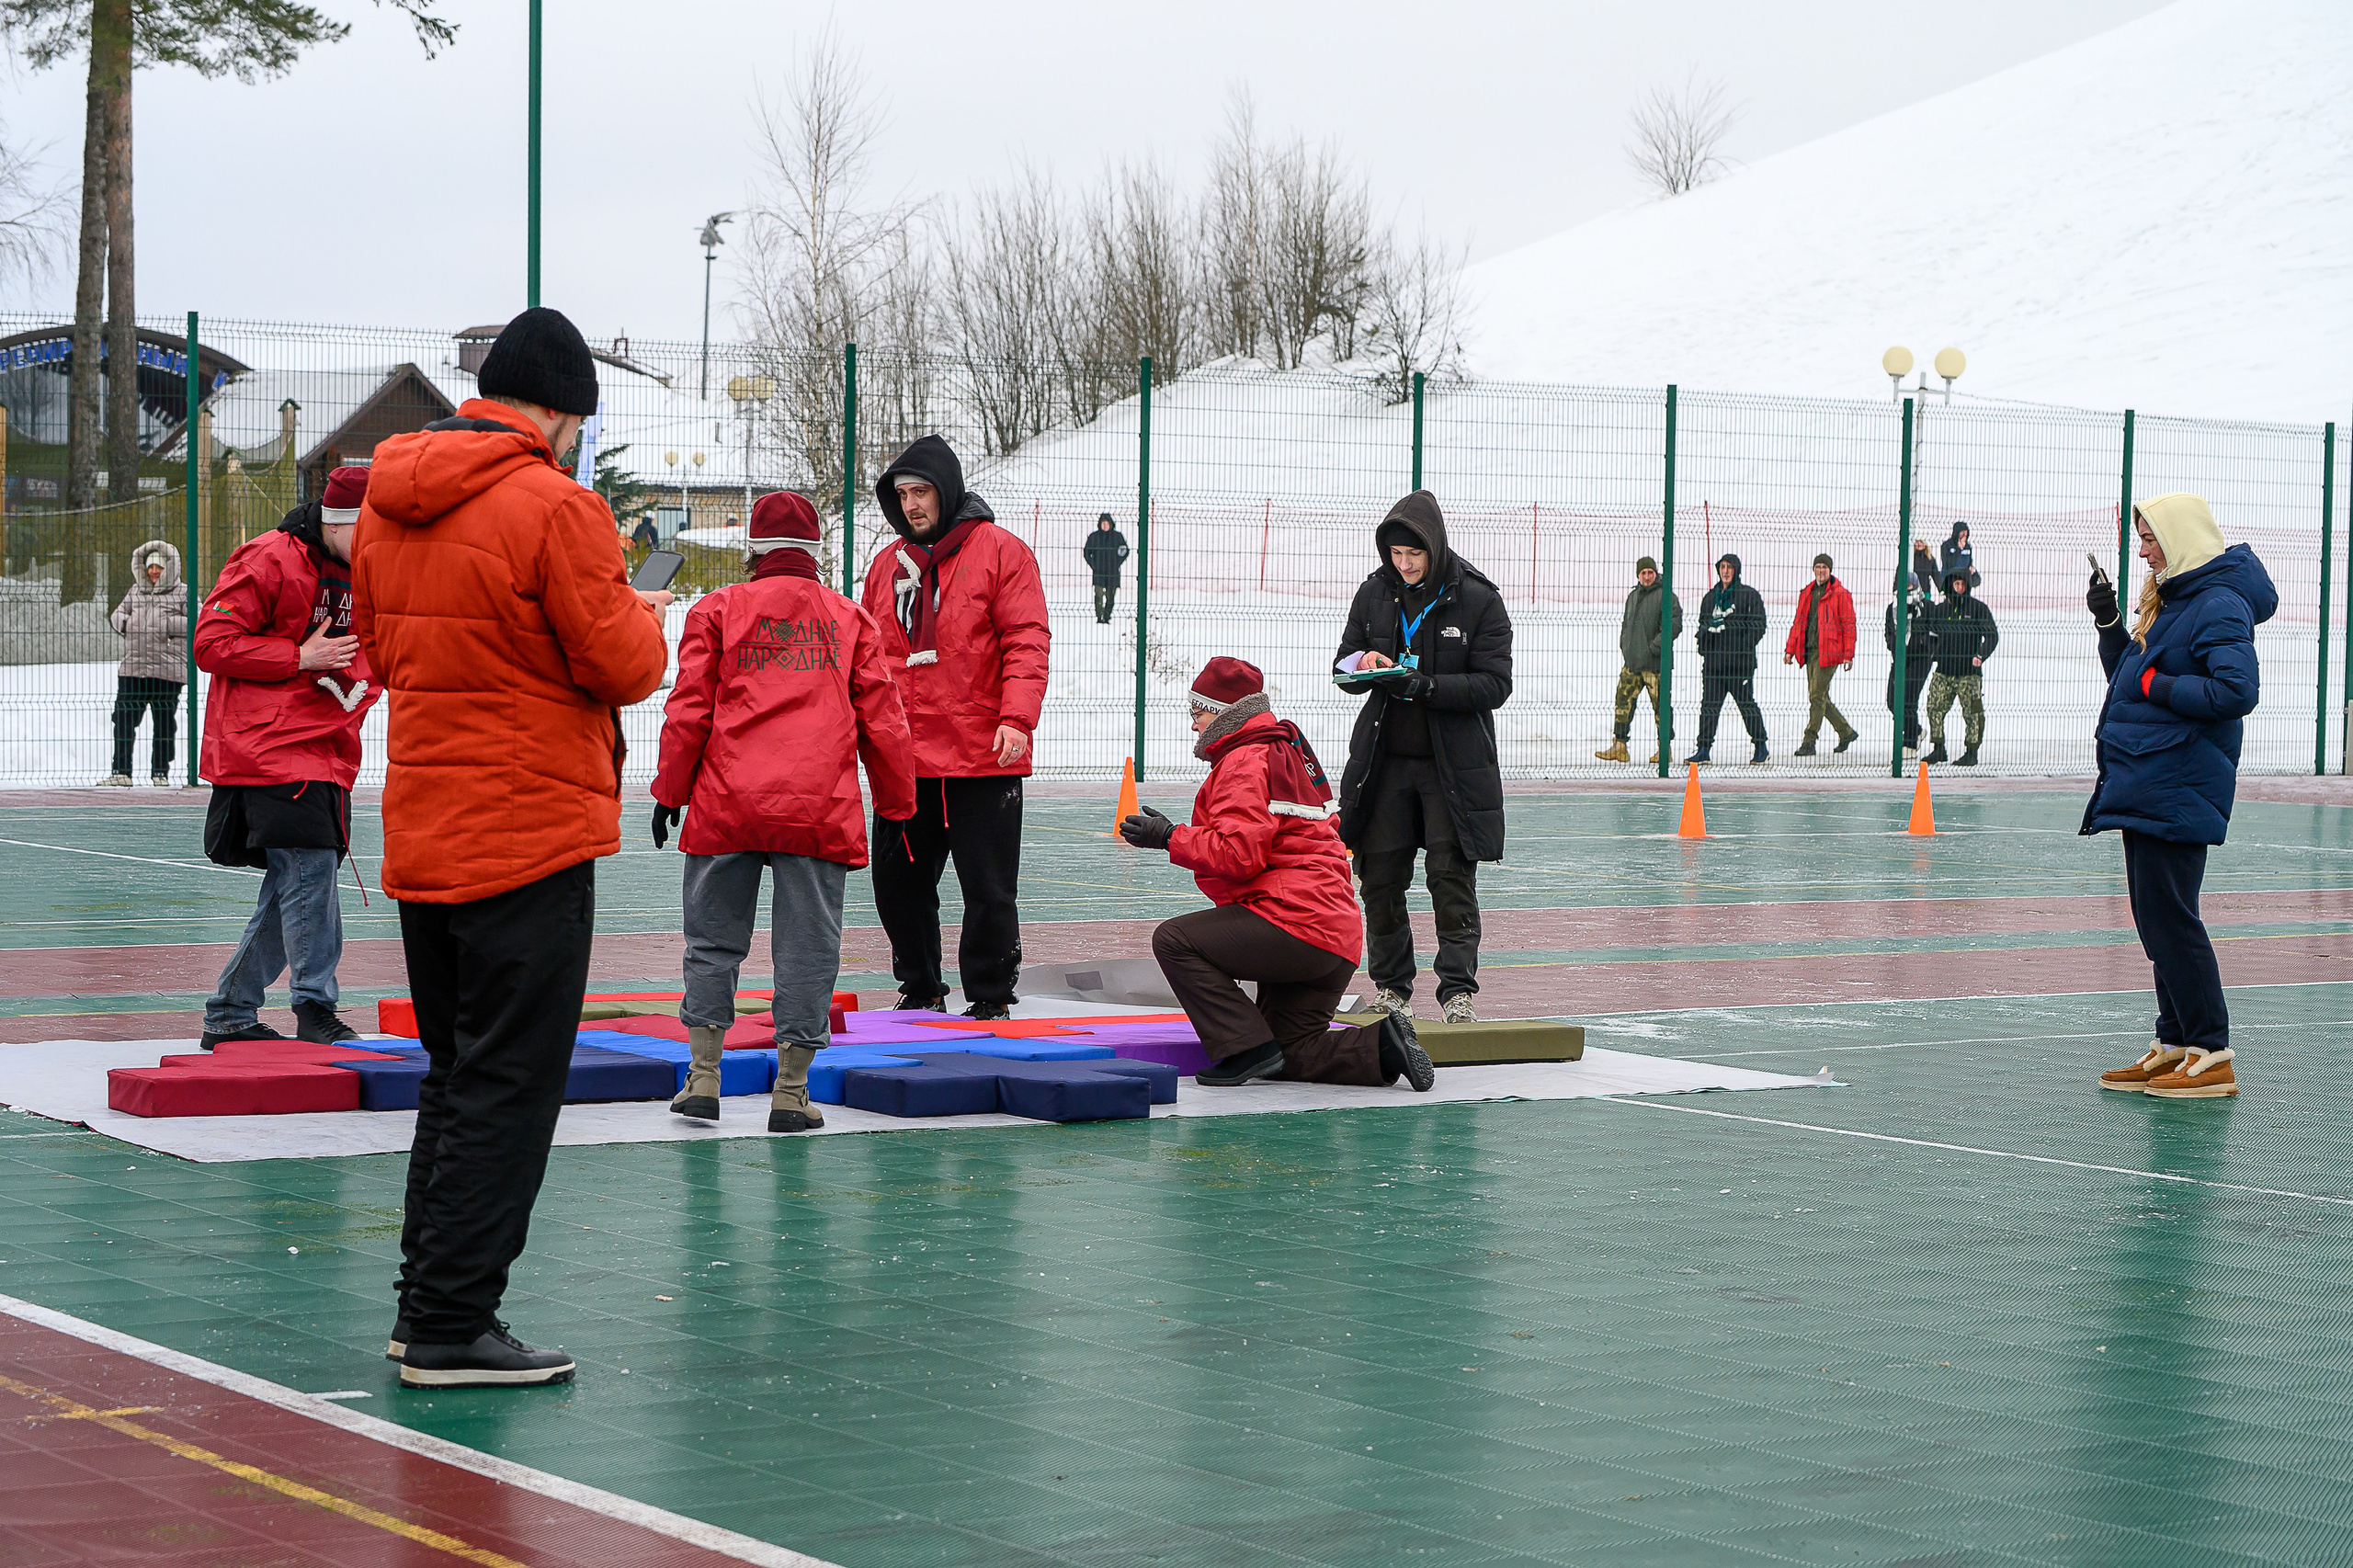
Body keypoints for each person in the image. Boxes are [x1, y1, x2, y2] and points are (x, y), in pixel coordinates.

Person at [352, 307, 672, 1389]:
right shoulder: (558, 506)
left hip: (426, 824)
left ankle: (424, 1304)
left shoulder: (389, 504)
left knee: (456, 1072)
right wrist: (638, 601)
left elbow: (385, 654)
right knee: (512, 1083)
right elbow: (625, 663)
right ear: (562, 413)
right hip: (528, 828)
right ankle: (450, 1320)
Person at [650, 490, 915, 1132]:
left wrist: (669, 793)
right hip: (815, 806)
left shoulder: (716, 610)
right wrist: (898, 804)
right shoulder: (850, 618)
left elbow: (690, 709)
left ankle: (704, 1080)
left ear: (755, 549)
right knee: (808, 948)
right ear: (815, 551)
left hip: (727, 803)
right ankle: (792, 1094)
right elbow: (884, 721)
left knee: (712, 942)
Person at [1126, 657, 1432, 1092]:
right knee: (1289, 1049)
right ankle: (1383, 1044)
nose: (1194, 727)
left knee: (1173, 941)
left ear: (1222, 711)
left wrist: (1170, 837)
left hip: (1294, 924)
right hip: (1336, 935)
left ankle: (1242, 1048)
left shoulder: (1243, 761)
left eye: (1196, 713)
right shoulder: (1284, 751)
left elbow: (1238, 855)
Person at [2086, 494, 2274, 1100]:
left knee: (2172, 920)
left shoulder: (2218, 603)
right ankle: (2174, 1043)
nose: (2141, 550)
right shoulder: (2173, 598)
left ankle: (2211, 1052)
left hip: (2180, 777)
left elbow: (2234, 691)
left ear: (2181, 536)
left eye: (2150, 538)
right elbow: (2129, 677)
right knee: (2155, 920)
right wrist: (2110, 624)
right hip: (2148, 773)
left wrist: (2156, 683)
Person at [860, 434, 1050, 1019]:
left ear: (947, 490)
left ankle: (990, 998)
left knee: (989, 891)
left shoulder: (1001, 552)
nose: (912, 504)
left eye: (921, 492)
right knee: (897, 886)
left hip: (982, 754)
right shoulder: (886, 565)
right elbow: (866, 655)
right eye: (901, 495)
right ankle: (919, 990)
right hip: (906, 757)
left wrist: (1018, 716)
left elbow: (1026, 640)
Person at [194, 467, 380, 1053]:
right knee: (309, 879)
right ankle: (314, 1004)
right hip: (271, 749)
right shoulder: (269, 558)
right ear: (343, 522)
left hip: (326, 748)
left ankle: (230, 1010)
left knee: (294, 887)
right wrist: (299, 656)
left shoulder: (369, 569)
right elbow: (211, 643)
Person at [1333, 491, 1512, 1025]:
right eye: (1395, 555)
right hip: (1384, 764)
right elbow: (1342, 668)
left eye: (1414, 555)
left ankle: (1458, 991)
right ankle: (1391, 987)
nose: (1404, 565)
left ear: (1434, 548)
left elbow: (1495, 684)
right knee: (1380, 878)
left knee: (1449, 877)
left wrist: (1426, 686)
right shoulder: (1374, 593)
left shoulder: (1478, 599)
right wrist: (1364, 660)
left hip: (1451, 768)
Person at [105, 539, 186, 786]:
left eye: (159, 568)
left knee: (163, 724)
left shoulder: (183, 592)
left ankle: (160, 772)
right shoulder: (135, 591)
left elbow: (198, 620)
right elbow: (117, 614)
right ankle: (121, 772)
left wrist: (167, 625)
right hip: (134, 669)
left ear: (169, 568)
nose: (153, 572)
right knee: (124, 720)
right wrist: (127, 624)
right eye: (150, 567)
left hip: (167, 671)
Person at [1595, 555, 1679, 763]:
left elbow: (1674, 625)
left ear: (1656, 573)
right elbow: (1626, 625)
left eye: (1650, 572)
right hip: (1632, 663)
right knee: (1622, 702)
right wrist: (1626, 646)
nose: (1647, 576)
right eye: (1644, 573)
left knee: (1661, 706)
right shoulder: (1633, 596)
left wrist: (1654, 648)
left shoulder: (1665, 595)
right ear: (1638, 575)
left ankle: (1664, 749)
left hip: (1655, 664)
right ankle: (1620, 745)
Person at [1689, 552, 1768, 766]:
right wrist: (1704, 647)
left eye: (1729, 567)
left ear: (1736, 571)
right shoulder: (1710, 598)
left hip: (1739, 665)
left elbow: (1758, 625)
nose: (1725, 571)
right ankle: (1704, 748)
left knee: (1746, 705)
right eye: (1722, 567)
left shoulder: (1748, 595)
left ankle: (1761, 745)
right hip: (1714, 665)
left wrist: (1742, 648)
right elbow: (1702, 625)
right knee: (1709, 707)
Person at [1921, 567, 1999, 765]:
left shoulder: (1978, 609)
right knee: (1934, 708)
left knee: (1973, 712)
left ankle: (1971, 752)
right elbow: (1929, 633)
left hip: (1969, 673)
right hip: (1944, 671)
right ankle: (1938, 748)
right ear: (1950, 586)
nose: (1960, 588)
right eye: (1956, 584)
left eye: (1963, 584)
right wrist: (1934, 653)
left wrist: (1981, 655)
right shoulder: (1941, 610)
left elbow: (1992, 635)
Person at [1782, 553, 1858, 756]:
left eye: (1825, 567)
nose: (1821, 570)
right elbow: (1798, 622)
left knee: (1816, 696)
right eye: (1818, 567)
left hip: (1830, 652)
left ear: (1830, 570)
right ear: (1814, 569)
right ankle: (1846, 731)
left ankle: (1809, 740)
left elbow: (1849, 625)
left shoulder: (1840, 594)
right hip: (1810, 650)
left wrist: (1848, 654)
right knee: (1820, 696)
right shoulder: (1807, 593)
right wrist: (1790, 649)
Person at [1883, 582, 1938, 759]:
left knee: (1908, 698)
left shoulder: (1927, 607)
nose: (1906, 589)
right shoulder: (1892, 608)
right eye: (1902, 585)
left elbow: (1935, 632)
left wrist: (1924, 645)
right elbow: (1888, 632)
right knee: (1892, 700)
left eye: (1909, 585)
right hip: (1899, 658)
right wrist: (1893, 645)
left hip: (1921, 659)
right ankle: (1916, 730)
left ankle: (1909, 742)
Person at [1083, 512, 1130, 625]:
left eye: (1106, 523)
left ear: (1111, 524)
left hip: (1113, 572)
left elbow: (1124, 551)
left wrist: (1117, 563)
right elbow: (1087, 552)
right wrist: (1094, 565)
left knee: (1111, 596)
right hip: (1098, 571)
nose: (1105, 525)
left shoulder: (1117, 537)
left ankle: (1107, 616)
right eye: (1103, 523)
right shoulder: (1094, 537)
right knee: (1098, 595)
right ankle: (1099, 616)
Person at [1939, 521, 1980, 591]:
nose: (1964, 535)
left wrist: (1972, 571)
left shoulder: (1967, 547)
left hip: (1964, 580)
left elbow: (1969, 562)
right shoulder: (1947, 545)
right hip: (1950, 579)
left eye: (1965, 533)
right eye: (1962, 532)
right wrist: (1959, 549)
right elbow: (1947, 563)